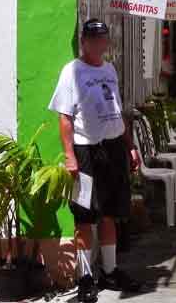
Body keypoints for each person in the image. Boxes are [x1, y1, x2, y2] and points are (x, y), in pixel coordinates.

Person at [49, 18, 142, 303]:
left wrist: (130, 146)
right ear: (84, 41)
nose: (99, 42)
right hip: (86, 151)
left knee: (110, 212)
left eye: (103, 38)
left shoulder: (110, 69)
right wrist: (69, 156)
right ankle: (86, 278)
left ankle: (110, 271)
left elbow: (118, 110)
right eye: (94, 38)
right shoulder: (72, 71)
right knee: (85, 216)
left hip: (114, 148)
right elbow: (64, 118)